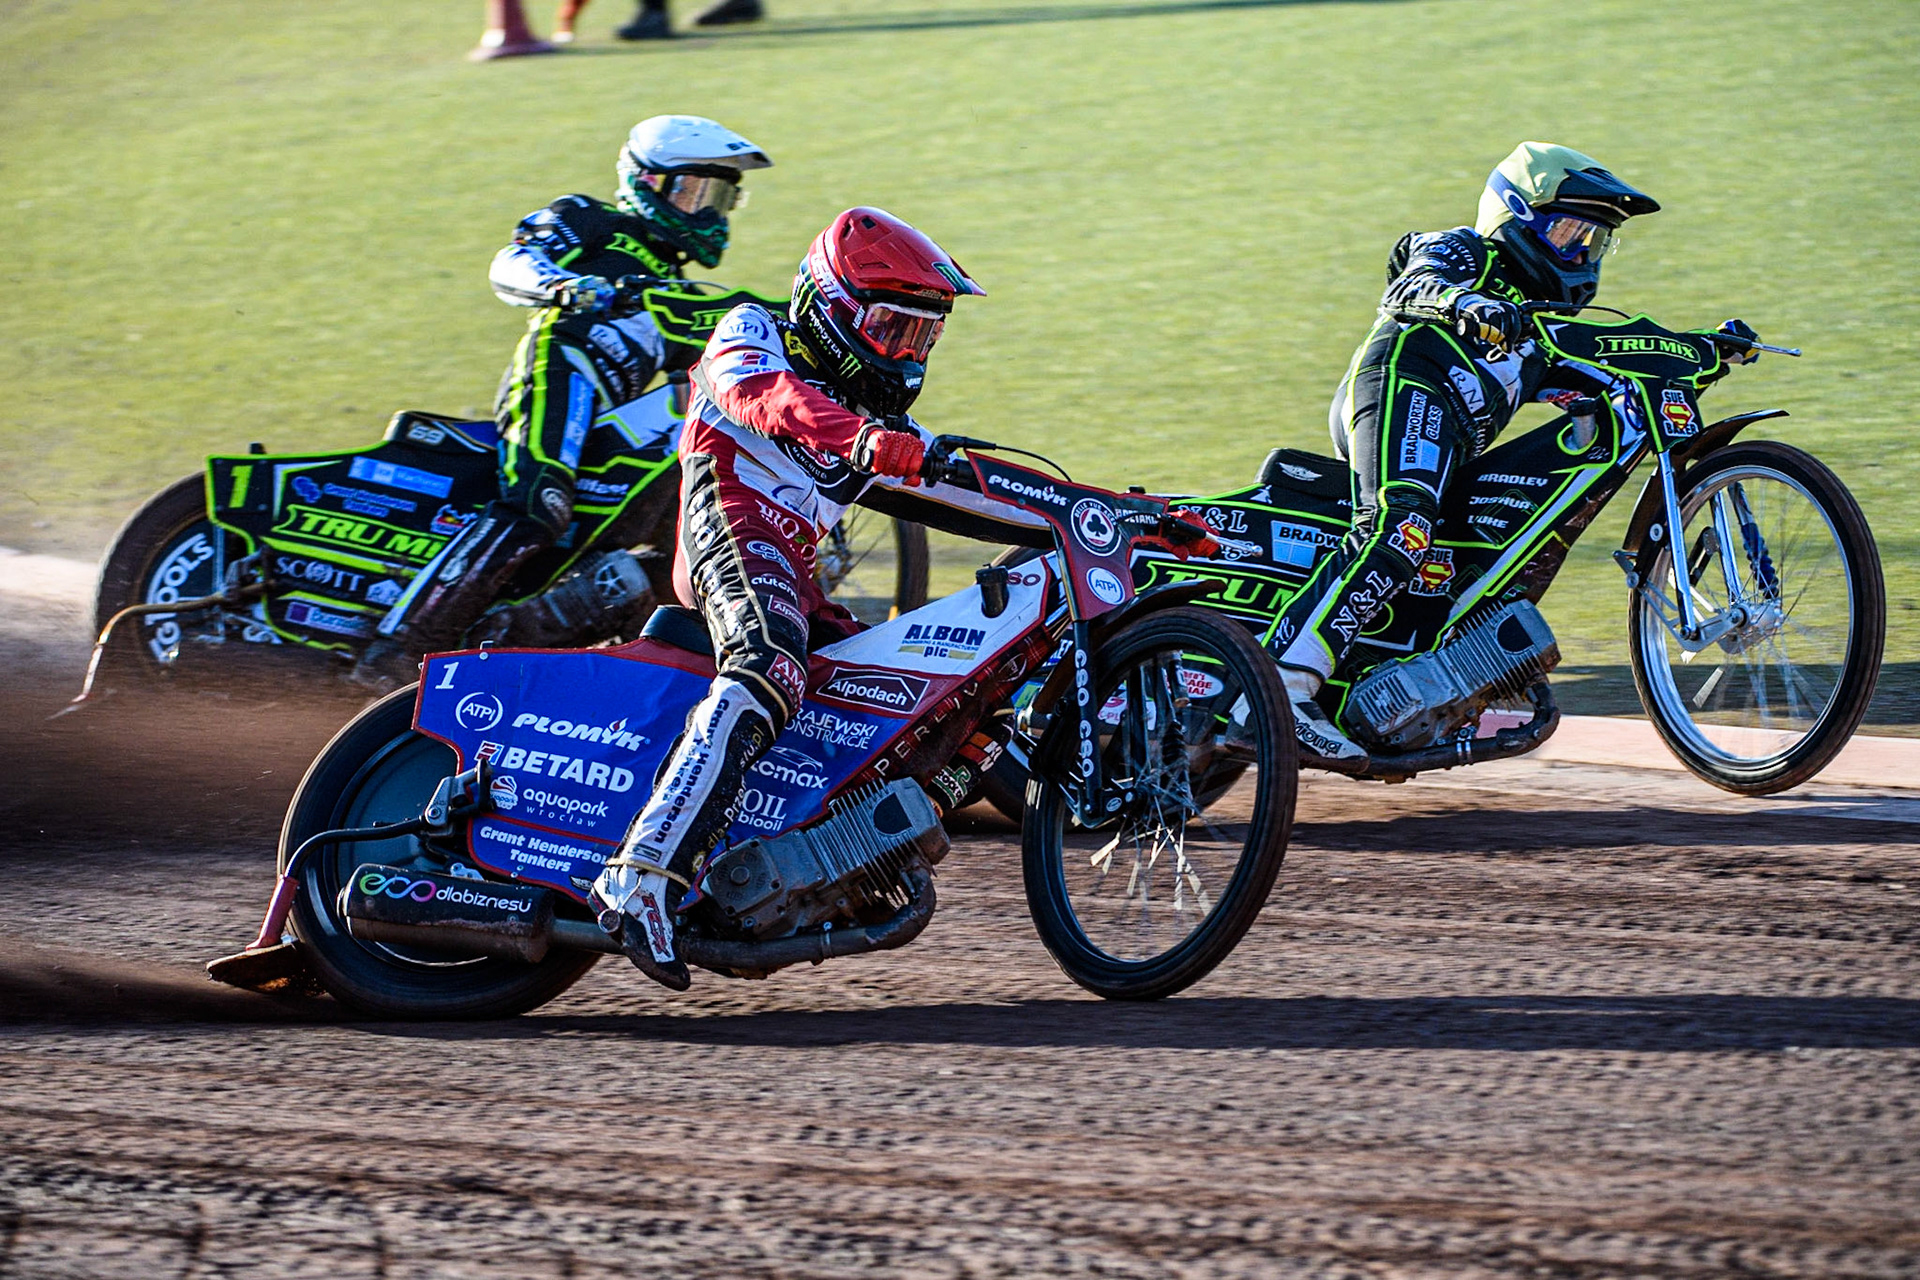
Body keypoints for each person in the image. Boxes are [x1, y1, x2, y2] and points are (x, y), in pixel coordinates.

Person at [588, 207, 1029, 990]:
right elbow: (762, 395)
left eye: (922, 336)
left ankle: (834, 856)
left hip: (796, 575)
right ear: (830, 308)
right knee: (771, 665)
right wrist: (861, 441)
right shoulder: (750, 331)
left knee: (941, 691)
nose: (907, 353)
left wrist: (1133, 515)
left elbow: (983, 493)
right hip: (728, 527)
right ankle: (641, 873)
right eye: (893, 329)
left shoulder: (881, 418)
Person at [1267, 141, 1660, 763]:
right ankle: (1283, 687)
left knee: (1456, 564)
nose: (1580, 254)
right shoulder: (1465, 250)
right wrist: (1463, 302)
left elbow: (1615, 361)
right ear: (1514, 215)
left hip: (1449, 438)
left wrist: (1704, 348)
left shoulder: (1539, 335)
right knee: (1400, 532)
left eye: (1594, 241)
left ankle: (1394, 680)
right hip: (1401, 386)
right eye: (1567, 233)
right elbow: (1409, 281)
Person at [354, 115, 772, 686]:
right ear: (647, 183)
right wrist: (565, 285)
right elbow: (511, 262)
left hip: (609, 417)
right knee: (538, 505)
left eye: (721, 198)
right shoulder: (591, 219)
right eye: (695, 192)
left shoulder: (683, 296)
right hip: (559, 367)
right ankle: (400, 649)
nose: (708, 212)